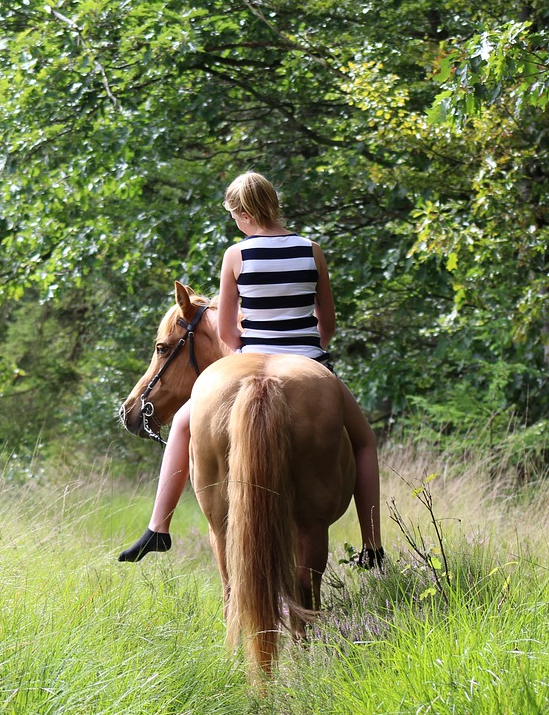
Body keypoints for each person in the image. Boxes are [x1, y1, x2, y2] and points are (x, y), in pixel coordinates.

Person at [119, 172, 384, 568]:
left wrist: (255, 348)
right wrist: (306, 348)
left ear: (243, 214)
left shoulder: (236, 255)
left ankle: (158, 528)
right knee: (363, 442)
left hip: (248, 361)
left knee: (182, 425)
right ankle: (372, 545)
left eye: (233, 216)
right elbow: (326, 325)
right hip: (308, 362)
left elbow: (226, 331)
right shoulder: (312, 251)